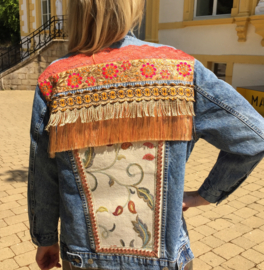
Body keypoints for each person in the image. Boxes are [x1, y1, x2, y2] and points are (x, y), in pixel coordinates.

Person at [28, 1, 264, 270]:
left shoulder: (56, 78)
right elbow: (255, 137)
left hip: (85, 259)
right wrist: (203, 196)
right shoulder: (180, 70)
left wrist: (45, 238)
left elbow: (43, 174)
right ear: (134, 9)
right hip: (165, 258)